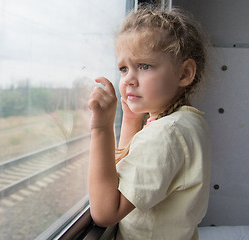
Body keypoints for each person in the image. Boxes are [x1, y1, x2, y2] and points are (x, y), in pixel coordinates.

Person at [88, 5, 211, 240]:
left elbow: (105, 212)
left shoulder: (166, 134)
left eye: (144, 66)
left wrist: (102, 128)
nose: (128, 80)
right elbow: (125, 168)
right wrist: (131, 120)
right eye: (123, 69)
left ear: (185, 73)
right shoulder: (187, 120)